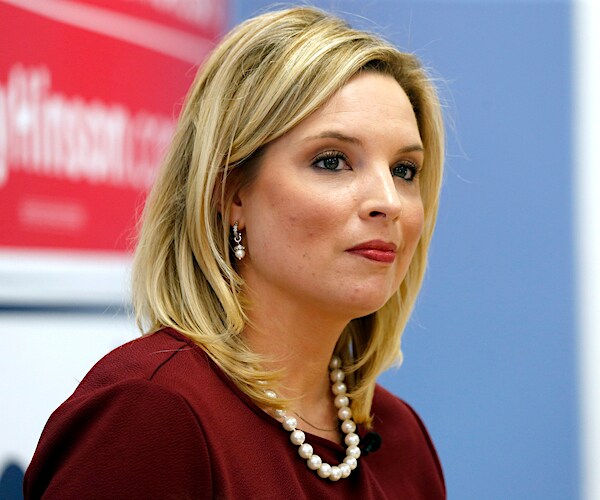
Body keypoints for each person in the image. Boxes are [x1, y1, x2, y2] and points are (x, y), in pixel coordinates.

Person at [24, 6, 446, 499]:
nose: (388, 203)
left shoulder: (399, 436)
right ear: (230, 192)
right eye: (332, 161)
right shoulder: (152, 415)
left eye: (405, 170)